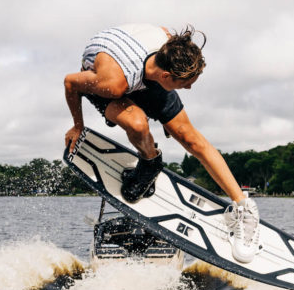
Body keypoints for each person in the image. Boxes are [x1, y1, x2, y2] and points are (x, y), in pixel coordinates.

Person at [63, 24, 260, 263]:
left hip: (142, 72)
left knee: (190, 138)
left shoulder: (168, 44)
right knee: (137, 123)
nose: (188, 87)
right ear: (166, 76)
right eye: (185, 83)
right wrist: (78, 126)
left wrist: (167, 119)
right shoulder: (113, 83)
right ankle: (150, 161)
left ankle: (244, 208)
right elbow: (70, 83)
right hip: (107, 79)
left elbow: (167, 34)